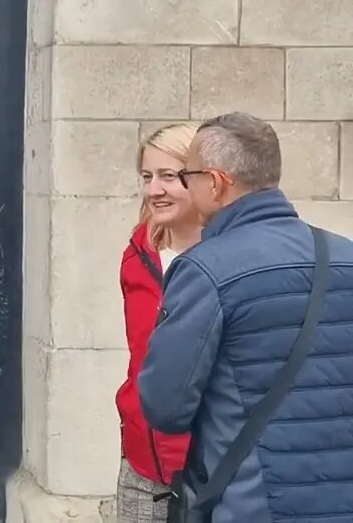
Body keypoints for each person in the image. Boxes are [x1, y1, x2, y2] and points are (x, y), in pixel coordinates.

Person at [140, 112, 353, 521]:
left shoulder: (204, 271)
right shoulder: (344, 256)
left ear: (216, 183)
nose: (185, 186)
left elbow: (165, 406)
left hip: (253, 503)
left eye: (188, 176)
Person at [115, 123, 199, 522]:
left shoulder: (235, 257)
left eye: (169, 175)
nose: (154, 190)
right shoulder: (137, 254)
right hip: (143, 463)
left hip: (211, 462)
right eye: (147, 177)